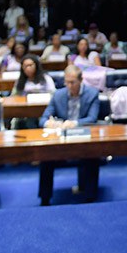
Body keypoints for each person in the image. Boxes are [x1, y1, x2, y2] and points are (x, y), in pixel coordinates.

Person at [37, 66, 101, 206]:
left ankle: (90, 196)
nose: (69, 86)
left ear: (81, 80)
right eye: (67, 82)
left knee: (92, 155)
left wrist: (74, 123)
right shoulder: (58, 95)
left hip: (83, 139)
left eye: (73, 82)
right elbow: (43, 119)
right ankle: (45, 198)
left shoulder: (92, 94)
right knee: (45, 156)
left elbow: (92, 118)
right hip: (61, 141)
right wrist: (49, 122)